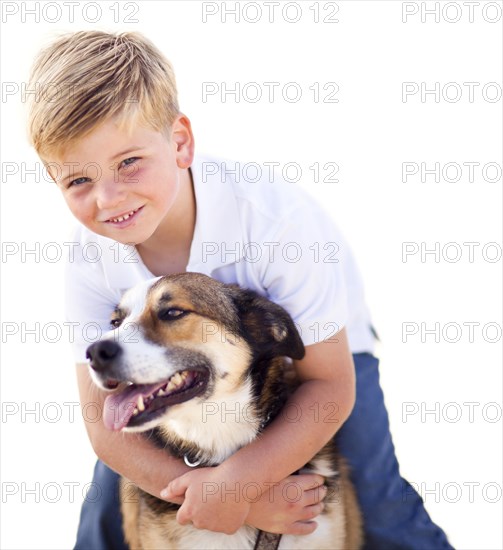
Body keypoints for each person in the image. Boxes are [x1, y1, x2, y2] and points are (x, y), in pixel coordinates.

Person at [26, 30, 453, 549]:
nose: (108, 198)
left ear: (180, 142)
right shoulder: (88, 256)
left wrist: (238, 482)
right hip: (160, 370)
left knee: (380, 504)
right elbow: (102, 424)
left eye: (128, 163)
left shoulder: (278, 224)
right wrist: (236, 500)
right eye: (77, 182)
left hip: (322, 355)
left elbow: (329, 386)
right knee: (104, 517)